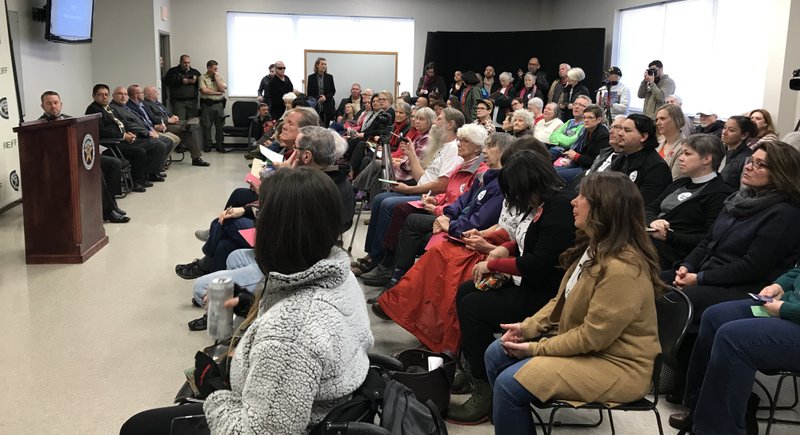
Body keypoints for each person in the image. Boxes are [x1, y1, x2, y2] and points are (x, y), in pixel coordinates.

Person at [120, 167, 373, 435]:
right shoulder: (340, 274)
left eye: (262, 216)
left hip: (272, 416)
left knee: (138, 427)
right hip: (316, 400)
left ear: (274, 232)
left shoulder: (289, 336)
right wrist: (247, 305)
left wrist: (216, 390)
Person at [484, 171, 663, 434]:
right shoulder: (595, 246)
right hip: (593, 349)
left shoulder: (622, 268)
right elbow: (561, 300)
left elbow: (592, 338)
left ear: (603, 208)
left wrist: (536, 349)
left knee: (510, 385)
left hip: (618, 365)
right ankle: (512, 419)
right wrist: (528, 327)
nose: (572, 201)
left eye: (582, 196)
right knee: (496, 352)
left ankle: (512, 413)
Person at [448, 148, 577, 424]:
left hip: (548, 296)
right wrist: (503, 249)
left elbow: (539, 262)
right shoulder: (542, 202)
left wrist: (494, 264)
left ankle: (485, 389)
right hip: (534, 284)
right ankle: (477, 372)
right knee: (466, 291)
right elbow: (524, 241)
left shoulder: (560, 207)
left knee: (473, 306)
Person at [372, 133, 517, 345]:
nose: (485, 151)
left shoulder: (501, 185)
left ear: (504, 152)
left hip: (476, 240)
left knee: (444, 257)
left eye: (490, 147)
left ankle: (400, 297)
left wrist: (451, 225)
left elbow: (482, 221)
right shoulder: (486, 177)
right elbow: (463, 202)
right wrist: (445, 215)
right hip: (464, 230)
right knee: (425, 239)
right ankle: (397, 295)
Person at [176, 108, 321, 279]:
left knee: (227, 224)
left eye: (290, 123)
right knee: (227, 237)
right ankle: (213, 284)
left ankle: (209, 257)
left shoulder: (301, 164)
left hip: (279, 233)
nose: (283, 126)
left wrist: (262, 192)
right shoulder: (293, 154)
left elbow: (282, 205)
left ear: (305, 131)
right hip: (271, 214)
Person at [669, 265, 800, 435]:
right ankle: (700, 411)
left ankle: (716, 430)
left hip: (793, 314)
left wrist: (785, 310)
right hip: (790, 305)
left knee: (734, 339)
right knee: (714, 317)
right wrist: (779, 286)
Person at [362, 123, 490, 289]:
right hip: (442, 206)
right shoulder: (461, 165)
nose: (459, 143)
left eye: (464, 141)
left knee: (403, 214)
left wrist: (438, 208)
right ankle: (383, 262)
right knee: (384, 201)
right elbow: (448, 191)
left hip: (452, 216)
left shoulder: (478, 171)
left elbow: (464, 201)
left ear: (477, 147)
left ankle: (392, 272)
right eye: (459, 140)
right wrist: (435, 201)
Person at [353, 108, 464, 275]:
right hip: (423, 190)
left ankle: (382, 260)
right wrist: (411, 154)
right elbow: (422, 178)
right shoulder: (441, 146)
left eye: (439, 119)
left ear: (450, 124)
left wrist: (409, 189)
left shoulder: (453, 148)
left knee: (388, 203)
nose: (435, 122)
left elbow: (442, 185)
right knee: (380, 199)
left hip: (432, 198)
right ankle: (373, 254)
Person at [646, 134, 733, 269]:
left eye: (687, 154)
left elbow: (708, 238)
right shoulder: (680, 182)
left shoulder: (720, 193)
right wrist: (653, 221)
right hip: (650, 241)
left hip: (674, 254)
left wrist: (668, 237)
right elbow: (649, 208)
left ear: (707, 159)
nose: (680, 158)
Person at [41, 91, 129, 223]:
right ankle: (108, 211)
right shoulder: (39, 126)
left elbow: (84, 138)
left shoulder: (72, 120)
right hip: (63, 163)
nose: (53, 106)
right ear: (42, 106)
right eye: (48, 103)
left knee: (114, 163)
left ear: (61, 104)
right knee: (95, 171)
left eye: (55, 103)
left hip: (82, 157)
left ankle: (112, 204)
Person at [85, 84, 154, 193]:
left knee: (147, 145)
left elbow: (121, 123)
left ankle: (142, 178)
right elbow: (102, 131)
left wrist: (128, 133)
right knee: (139, 152)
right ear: (94, 96)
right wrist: (122, 136)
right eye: (100, 95)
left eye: (106, 95)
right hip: (113, 143)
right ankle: (136, 182)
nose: (104, 97)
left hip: (122, 139)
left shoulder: (107, 107)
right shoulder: (93, 110)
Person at [107, 86, 172, 184]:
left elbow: (140, 120)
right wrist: (147, 132)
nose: (123, 96)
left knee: (167, 141)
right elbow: (128, 124)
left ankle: (153, 171)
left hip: (142, 132)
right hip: (132, 137)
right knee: (159, 144)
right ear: (113, 96)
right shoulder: (114, 108)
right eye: (120, 94)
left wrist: (150, 129)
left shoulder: (124, 106)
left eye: (125, 94)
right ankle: (149, 173)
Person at [610, 113, 672, 205]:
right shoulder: (622, 158)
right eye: (621, 129)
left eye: (626, 130)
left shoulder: (657, 167)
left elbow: (640, 204)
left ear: (643, 137)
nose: (620, 133)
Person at [142, 86, 209, 167]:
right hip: (163, 126)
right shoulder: (146, 105)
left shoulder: (157, 103)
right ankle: (196, 158)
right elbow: (153, 118)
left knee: (193, 121)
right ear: (149, 95)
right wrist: (168, 120)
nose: (158, 93)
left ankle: (188, 125)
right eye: (156, 92)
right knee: (187, 130)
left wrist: (173, 116)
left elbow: (167, 113)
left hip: (172, 122)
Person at [554, 104, 609, 184]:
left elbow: (598, 161)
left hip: (591, 170)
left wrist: (576, 157)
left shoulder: (603, 135)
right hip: (580, 164)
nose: (586, 120)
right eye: (584, 117)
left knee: (557, 174)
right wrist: (571, 159)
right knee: (553, 170)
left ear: (599, 119)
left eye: (590, 117)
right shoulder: (586, 130)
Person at [719, 115, 757, 189]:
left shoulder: (748, 158)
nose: (724, 132)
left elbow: (743, 190)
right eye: (724, 128)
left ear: (744, 135)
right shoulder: (719, 151)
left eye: (731, 130)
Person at [198, 60, 227, 152]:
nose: (216, 70)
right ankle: (208, 145)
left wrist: (217, 78)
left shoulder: (219, 77)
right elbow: (204, 90)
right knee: (206, 126)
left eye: (217, 68)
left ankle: (220, 145)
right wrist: (217, 92)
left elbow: (222, 88)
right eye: (214, 69)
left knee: (220, 126)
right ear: (209, 68)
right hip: (207, 105)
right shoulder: (202, 77)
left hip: (218, 104)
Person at [654, 103, 688, 180]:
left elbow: (674, 181)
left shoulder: (684, 148)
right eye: (657, 119)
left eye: (662, 119)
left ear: (676, 120)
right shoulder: (657, 144)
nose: (657, 123)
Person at [163, 54, 201, 120]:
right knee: (180, 122)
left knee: (193, 123)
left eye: (188, 62)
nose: (187, 64)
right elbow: (167, 81)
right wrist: (181, 81)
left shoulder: (195, 72)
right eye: (185, 62)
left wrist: (196, 80)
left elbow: (202, 84)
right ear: (180, 62)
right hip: (178, 102)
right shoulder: (172, 71)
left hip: (192, 101)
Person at [306, 57, 336, 125]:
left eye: (325, 64)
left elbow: (333, 91)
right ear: (317, 65)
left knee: (327, 125)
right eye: (322, 64)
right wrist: (318, 99)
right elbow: (309, 93)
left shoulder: (329, 77)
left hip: (327, 104)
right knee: (317, 124)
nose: (324, 66)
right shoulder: (311, 77)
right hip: (316, 105)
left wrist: (325, 97)